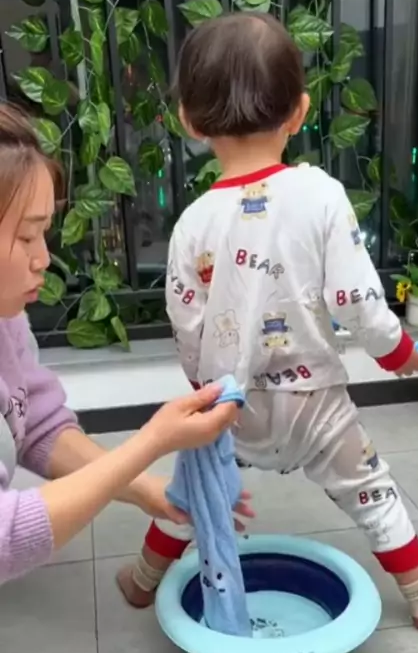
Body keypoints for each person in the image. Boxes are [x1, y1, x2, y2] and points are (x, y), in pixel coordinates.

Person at [120, 12, 418, 631]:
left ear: (189, 122)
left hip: (229, 406)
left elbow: (185, 317)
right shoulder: (321, 195)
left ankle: (144, 579)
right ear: (300, 112)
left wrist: (205, 390)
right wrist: (398, 352)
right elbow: (357, 297)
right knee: (372, 491)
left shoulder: (193, 222)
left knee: (196, 490)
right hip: (317, 405)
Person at [0, 102, 249, 585]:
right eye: (27, 237)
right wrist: (153, 442)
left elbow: (36, 427)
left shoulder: (7, 318)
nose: (43, 259)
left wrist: (147, 489)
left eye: (44, 233)